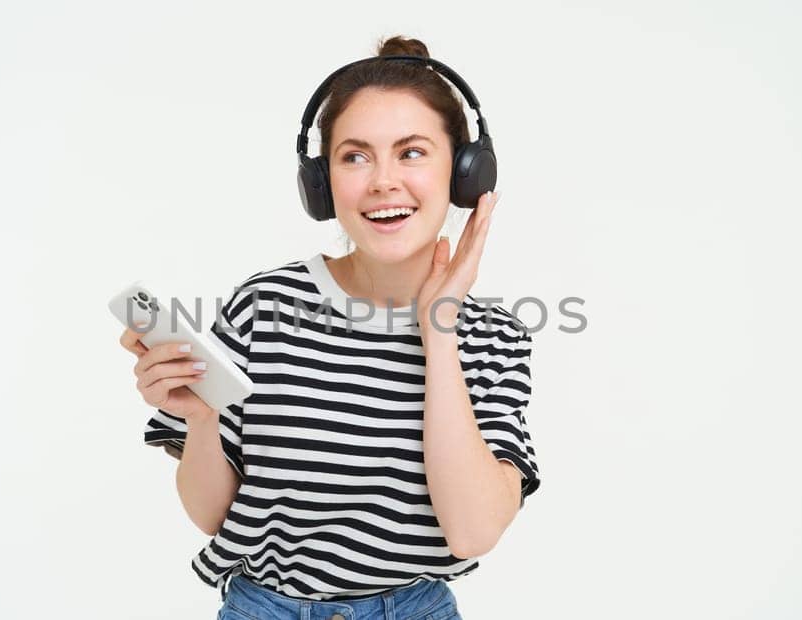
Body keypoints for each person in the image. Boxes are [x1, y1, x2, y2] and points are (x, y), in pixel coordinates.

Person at [117, 35, 539, 620]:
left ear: (465, 173)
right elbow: (215, 517)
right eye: (355, 156)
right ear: (321, 183)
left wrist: (438, 332)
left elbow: (470, 533)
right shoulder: (262, 305)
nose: (383, 180)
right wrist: (203, 417)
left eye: (412, 152)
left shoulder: (495, 338)